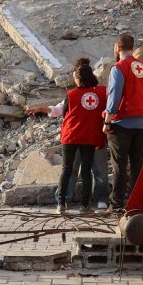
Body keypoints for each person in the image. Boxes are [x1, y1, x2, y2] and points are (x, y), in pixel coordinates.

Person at [26, 58, 108, 214]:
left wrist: (41, 109)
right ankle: (86, 205)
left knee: (68, 169)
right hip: (91, 137)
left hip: (71, 137)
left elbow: (59, 111)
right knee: (88, 171)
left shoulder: (71, 95)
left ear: (79, 77)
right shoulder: (102, 93)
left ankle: (62, 203)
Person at [104, 34, 143, 211]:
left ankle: (117, 205)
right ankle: (137, 204)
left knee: (120, 165)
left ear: (117, 47)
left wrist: (107, 121)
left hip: (122, 124)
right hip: (142, 124)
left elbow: (114, 96)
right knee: (138, 165)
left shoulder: (119, 67)